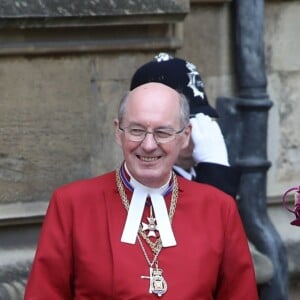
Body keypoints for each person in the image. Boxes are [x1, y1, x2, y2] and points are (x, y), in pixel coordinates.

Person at [24, 60, 259, 299]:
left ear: (185, 135)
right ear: (118, 132)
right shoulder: (71, 205)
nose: (148, 145)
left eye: (163, 132)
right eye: (136, 130)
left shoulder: (219, 208)